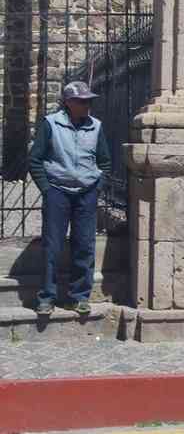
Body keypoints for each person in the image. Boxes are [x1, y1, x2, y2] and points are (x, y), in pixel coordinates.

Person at [28, 80, 111, 316]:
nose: (87, 105)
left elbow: (105, 162)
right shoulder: (51, 124)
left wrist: (97, 188)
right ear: (68, 102)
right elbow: (35, 160)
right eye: (82, 101)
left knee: (84, 245)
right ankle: (47, 297)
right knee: (52, 246)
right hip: (57, 192)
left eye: (89, 101)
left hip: (87, 193)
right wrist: (47, 189)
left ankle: (80, 296)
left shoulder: (96, 126)